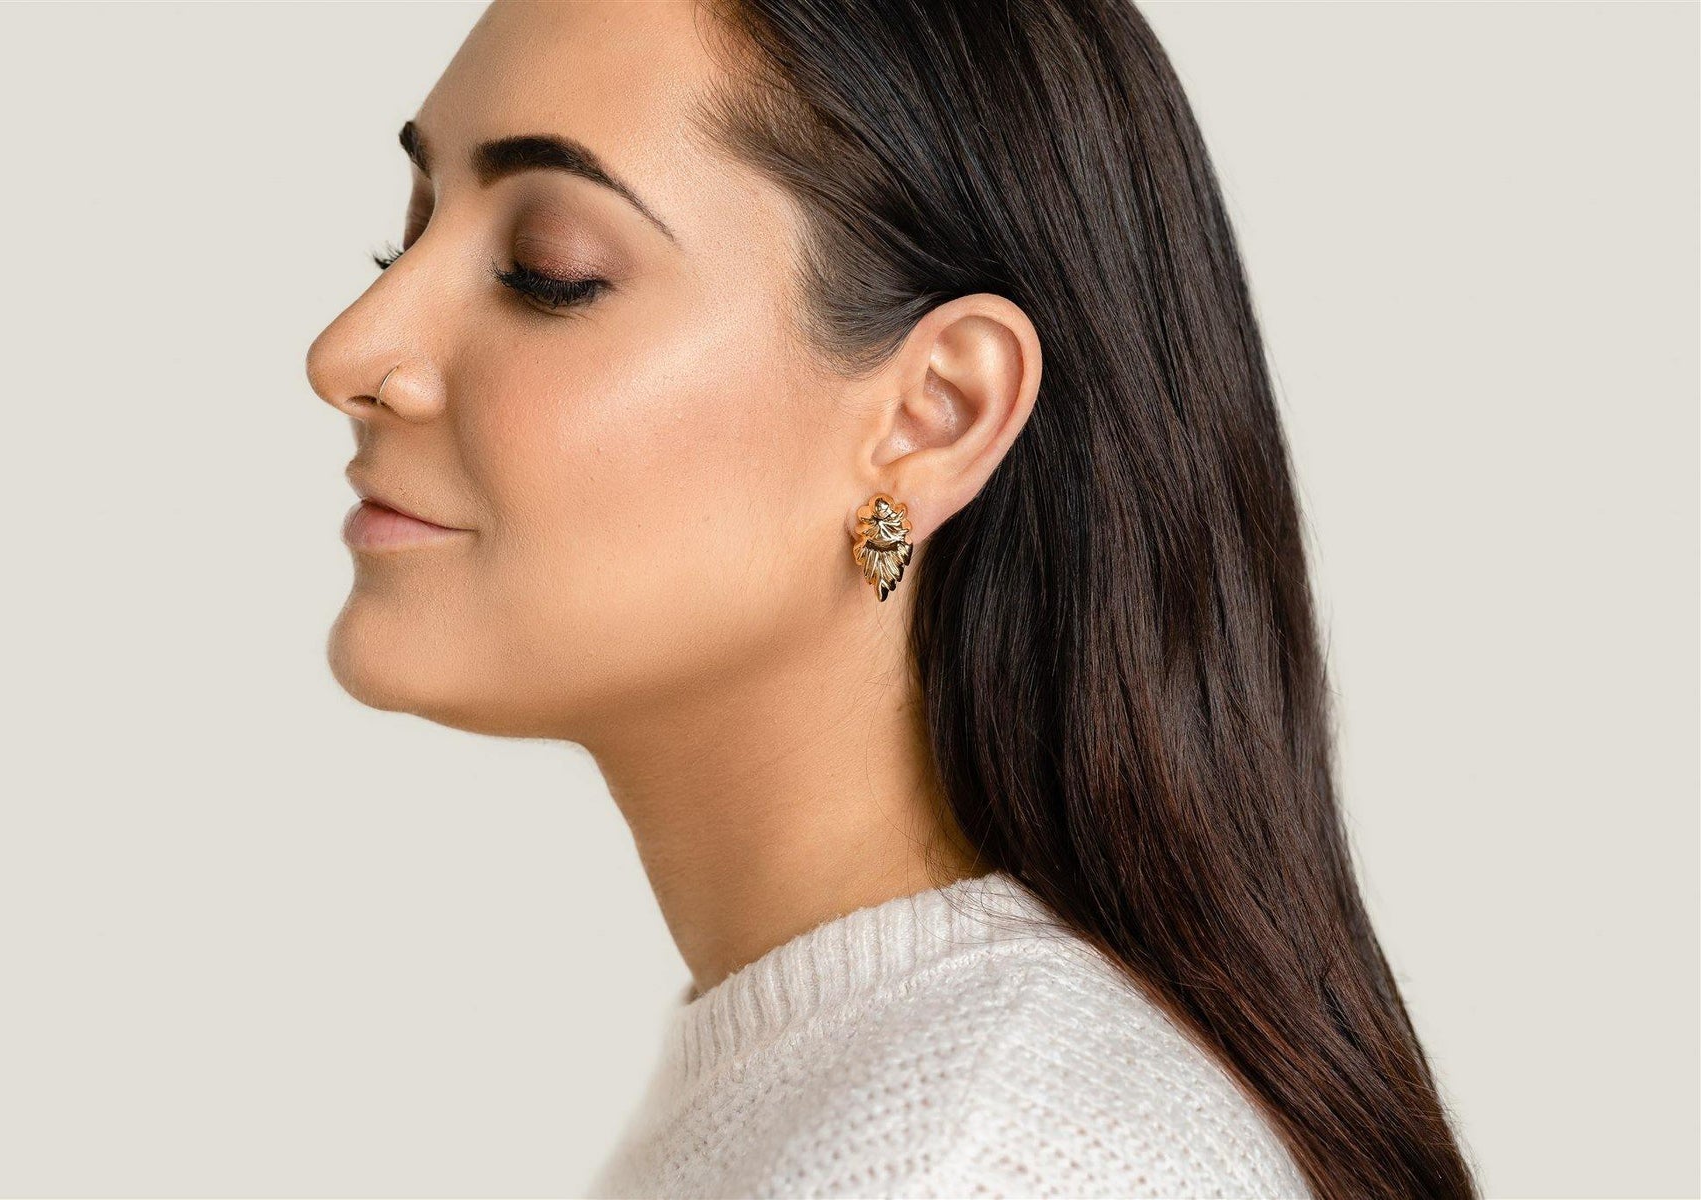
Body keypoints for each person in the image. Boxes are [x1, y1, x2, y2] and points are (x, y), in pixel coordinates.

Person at [304, 1, 1479, 1196]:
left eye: (546, 271)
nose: (347, 352)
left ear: (934, 415)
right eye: (409, 238)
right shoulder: (876, 1102)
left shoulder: (970, 1159)